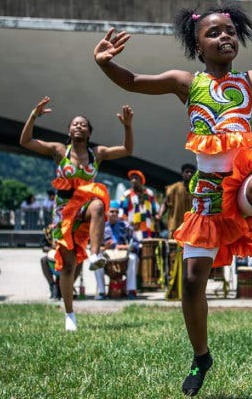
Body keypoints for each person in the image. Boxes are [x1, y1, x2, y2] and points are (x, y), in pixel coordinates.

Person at [94, 4, 252, 395]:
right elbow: (134, 80)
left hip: (242, 181)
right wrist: (106, 64)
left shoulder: (250, 81)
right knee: (191, 283)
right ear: (198, 47)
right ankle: (201, 356)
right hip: (207, 192)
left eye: (230, 31)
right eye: (214, 33)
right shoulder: (185, 82)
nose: (225, 37)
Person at [19, 96, 133, 331]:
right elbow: (26, 141)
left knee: (99, 205)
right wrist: (33, 115)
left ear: (89, 132)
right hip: (64, 211)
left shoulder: (98, 153)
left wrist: (127, 126)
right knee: (68, 266)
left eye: (83, 124)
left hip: (85, 205)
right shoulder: (59, 150)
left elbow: (127, 150)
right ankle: (69, 314)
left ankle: (94, 254)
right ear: (69, 131)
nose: (78, 126)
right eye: (74, 124)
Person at [94, 200, 140, 300]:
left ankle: (131, 290)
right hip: (107, 259)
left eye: (117, 212)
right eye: (112, 211)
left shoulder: (126, 226)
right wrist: (104, 248)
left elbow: (136, 243)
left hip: (124, 257)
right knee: (96, 259)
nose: (115, 214)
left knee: (133, 258)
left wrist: (125, 247)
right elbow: (94, 248)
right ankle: (101, 292)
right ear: (106, 212)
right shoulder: (100, 227)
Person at [158, 163, 196, 238]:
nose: (189, 174)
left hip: (191, 228)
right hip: (175, 227)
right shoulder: (174, 188)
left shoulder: (196, 190)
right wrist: (159, 215)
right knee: (173, 248)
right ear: (182, 173)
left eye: (192, 172)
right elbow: (165, 203)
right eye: (187, 172)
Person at [120, 170, 159, 239]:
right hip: (134, 229)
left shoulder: (149, 193)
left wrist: (156, 220)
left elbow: (154, 210)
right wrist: (126, 226)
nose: (133, 180)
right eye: (132, 178)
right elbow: (123, 212)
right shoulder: (126, 194)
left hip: (148, 228)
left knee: (148, 248)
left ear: (141, 180)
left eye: (136, 178)